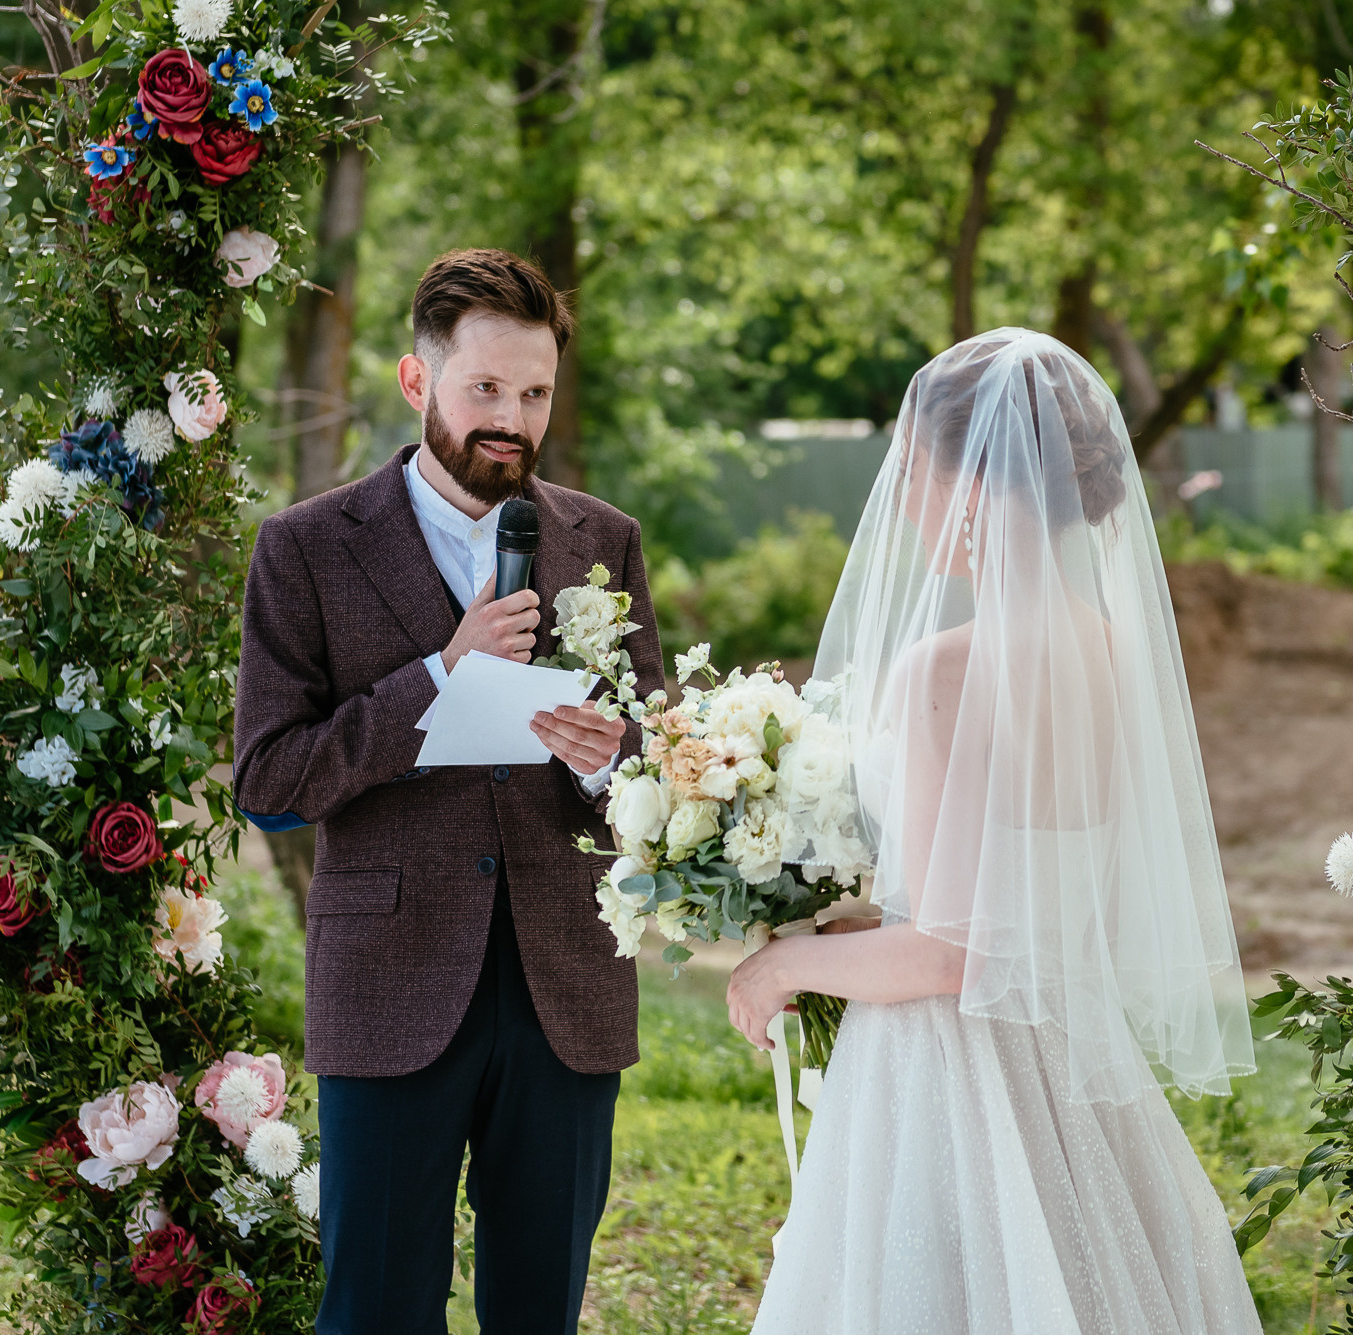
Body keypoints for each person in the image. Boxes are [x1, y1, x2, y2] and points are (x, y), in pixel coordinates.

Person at [728, 329, 1261, 1334]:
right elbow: (1031, 902)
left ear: (972, 483)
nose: (903, 499)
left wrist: (780, 966)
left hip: (952, 1077)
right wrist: (861, 925)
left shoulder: (945, 671)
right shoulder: (1109, 650)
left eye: (913, 470)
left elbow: (951, 953)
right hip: (1069, 1054)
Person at [233, 247, 664, 1334]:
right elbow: (269, 781)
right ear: (416, 380)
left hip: (566, 989)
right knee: (374, 1309)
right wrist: (437, 674)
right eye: (486, 389)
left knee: (539, 1311)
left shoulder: (604, 540)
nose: (512, 420)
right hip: (388, 983)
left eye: (535, 394)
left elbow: (660, 771)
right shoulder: (304, 548)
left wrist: (608, 759)